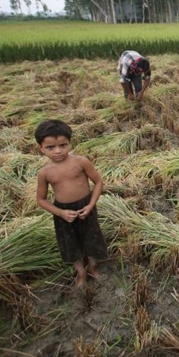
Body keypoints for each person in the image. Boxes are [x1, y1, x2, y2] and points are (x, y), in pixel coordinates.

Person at [35, 119, 107, 289]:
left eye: (63, 145)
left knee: (92, 237)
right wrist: (60, 213)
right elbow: (41, 199)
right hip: (63, 213)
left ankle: (93, 267)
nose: (58, 151)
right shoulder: (44, 173)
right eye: (50, 147)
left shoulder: (81, 162)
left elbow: (98, 182)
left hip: (86, 207)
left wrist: (90, 205)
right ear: (41, 148)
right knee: (71, 243)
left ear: (70, 143)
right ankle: (81, 273)